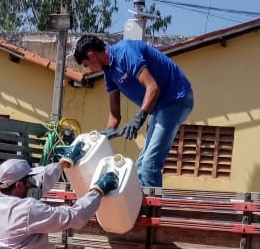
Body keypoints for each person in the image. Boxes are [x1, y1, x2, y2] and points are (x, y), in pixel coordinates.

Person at [74, 35, 194, 189]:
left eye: (87, 65)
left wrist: (138, 118)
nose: (90, 69)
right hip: (159, 108)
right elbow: (115, 115)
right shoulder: (108, 72)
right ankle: (140, 208)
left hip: (176, 99)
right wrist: (107, 133)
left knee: (149, 165)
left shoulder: (125, 52)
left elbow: (152, 87)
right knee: (141, 167)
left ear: (92, 55)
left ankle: (152, 211)